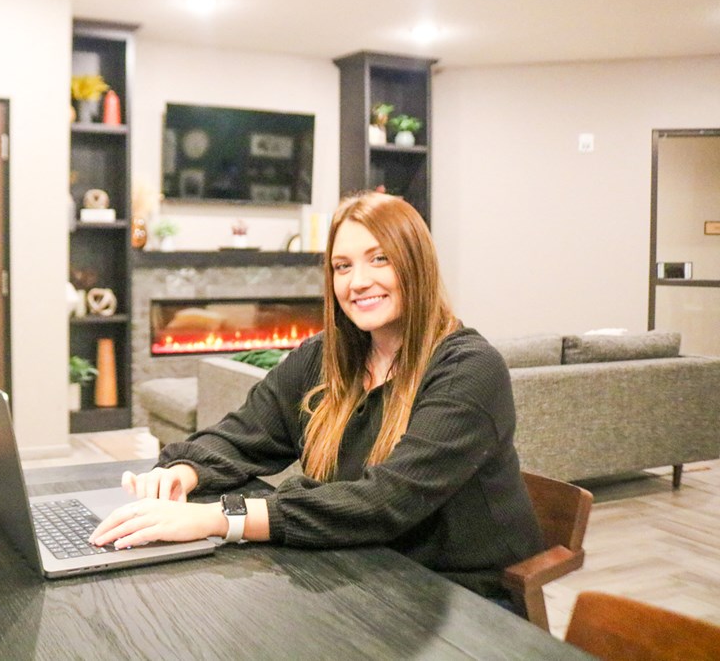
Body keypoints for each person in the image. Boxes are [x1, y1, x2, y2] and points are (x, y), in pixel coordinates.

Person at [90, 191, 543, 604]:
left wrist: (220, 518)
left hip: (460, 602)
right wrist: (180, 473)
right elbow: (243, 433)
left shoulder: (468, 369)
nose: (357, 281)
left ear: (416, 265)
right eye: (342, 266)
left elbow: (385, 502)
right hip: (356, 570)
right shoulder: (323, 356)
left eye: (379, 259)